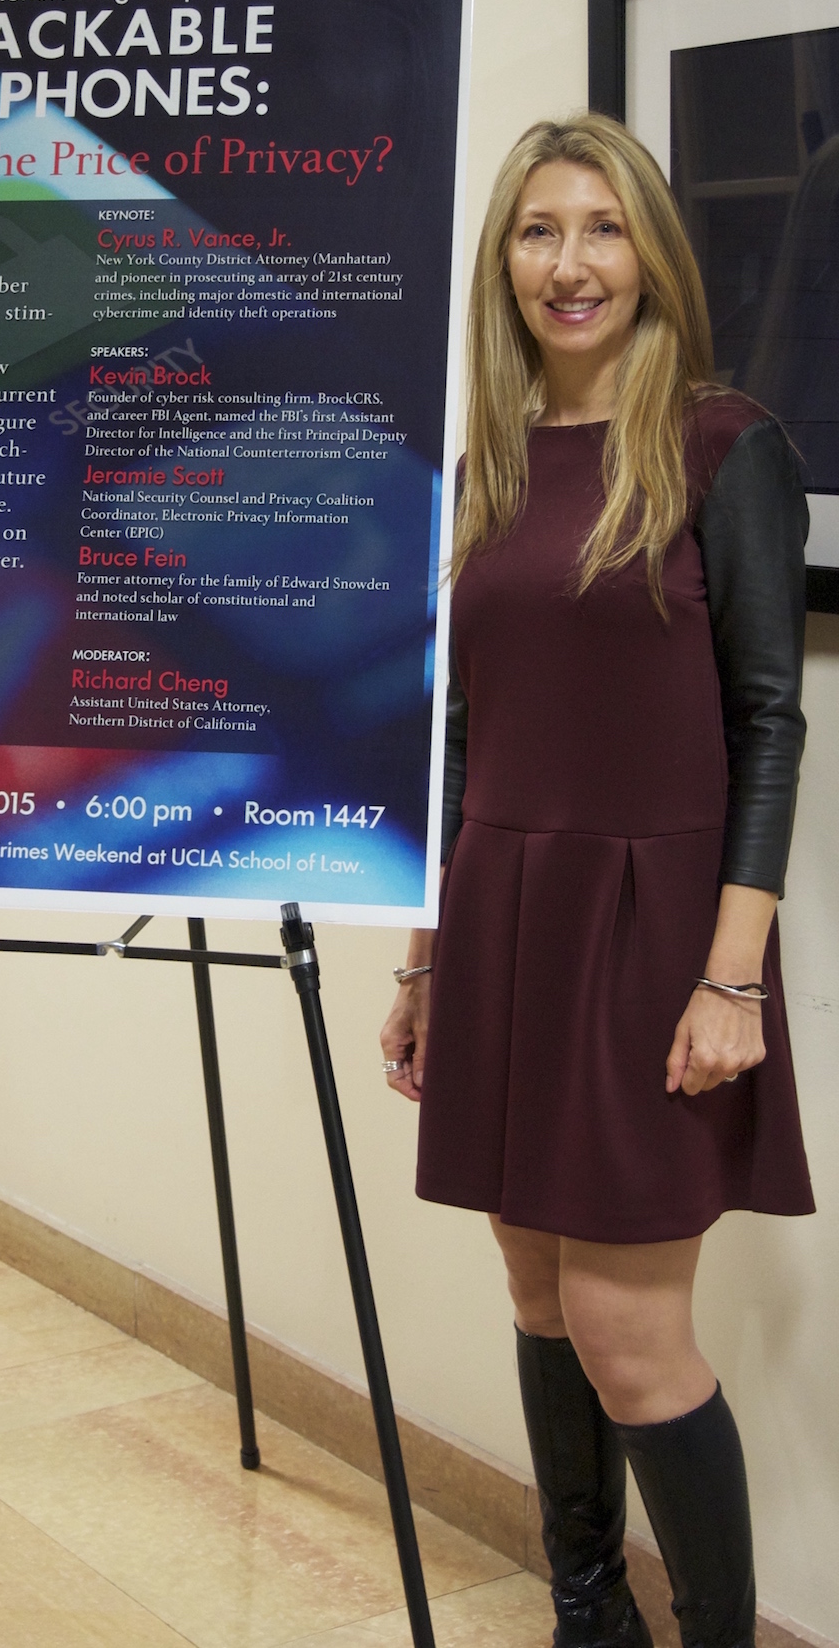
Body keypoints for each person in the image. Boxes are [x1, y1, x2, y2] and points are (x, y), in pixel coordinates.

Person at [381, 115, 814, 1648]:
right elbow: (457, 733)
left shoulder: (722, 446)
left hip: (653, 935)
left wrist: (731, 975)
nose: (571, 264)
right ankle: (589, 1615)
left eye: (603, 228)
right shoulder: (487, 464)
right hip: (503, 911)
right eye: (538, 231)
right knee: (540, 1294)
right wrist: (425, 956)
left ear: (653, 254)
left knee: (633, 1335)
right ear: (502, 262)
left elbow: (772, 717)